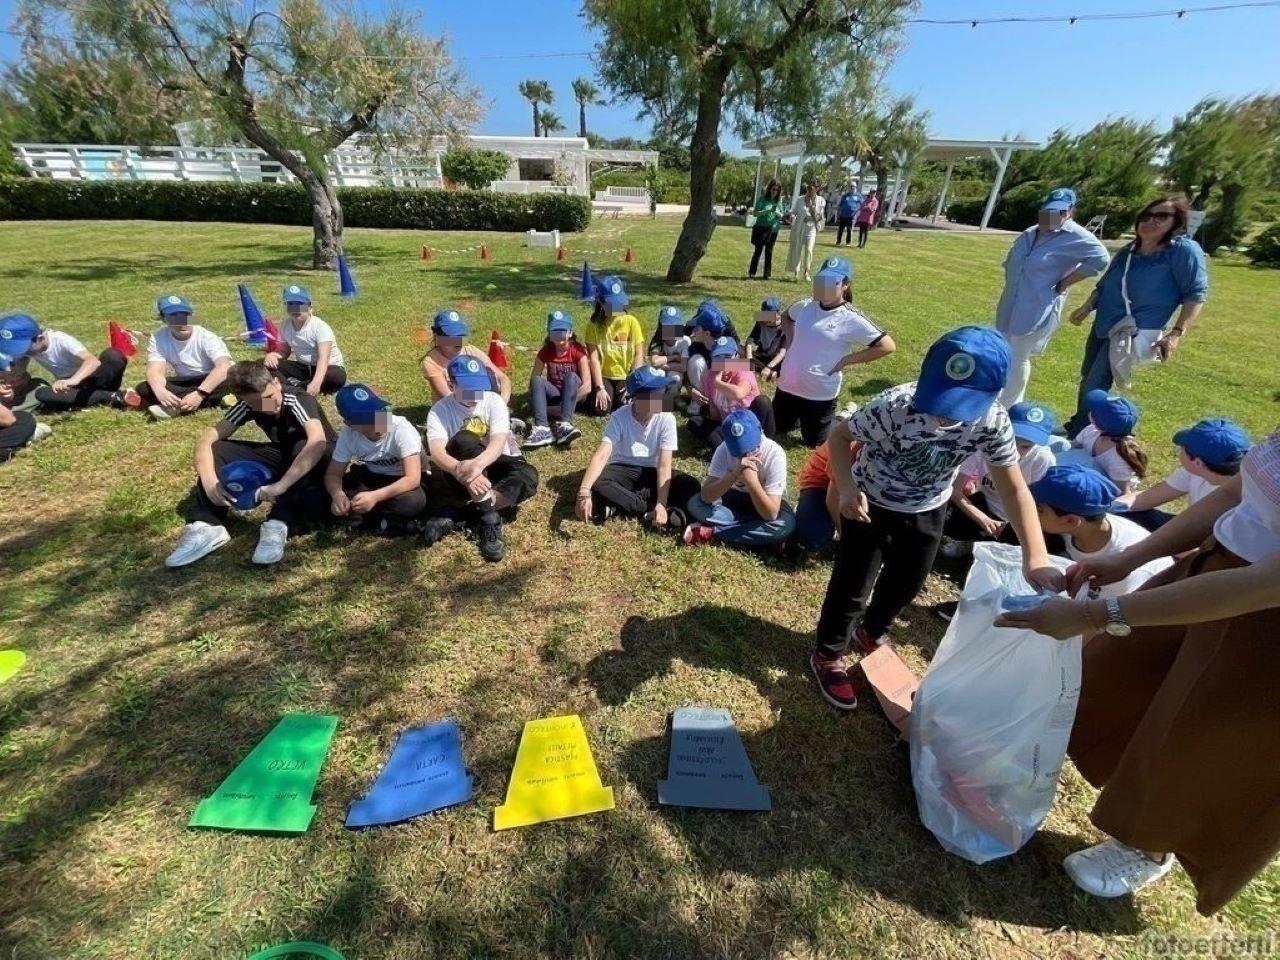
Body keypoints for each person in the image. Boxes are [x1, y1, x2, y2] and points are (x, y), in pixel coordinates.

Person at [994, 428, 1280, 915]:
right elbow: (1238, 491)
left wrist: (1092, 616)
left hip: (1262, 618)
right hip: (1216, 572)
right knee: (1116, 673)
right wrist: (1130, 556)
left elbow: (1263, 585)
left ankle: (1148, 845)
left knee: (1192, 734)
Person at [809, 327, 1065, 711]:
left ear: (993, 395)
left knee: (907, 583)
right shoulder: (895, 405)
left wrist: (1037, 557)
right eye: (939, 399)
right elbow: (840, 438)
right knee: (852, 584)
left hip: (929, 508)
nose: (943, 414)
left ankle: (871, 630)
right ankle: (828, 654)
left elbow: (1014, 490)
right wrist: (845, 488)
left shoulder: (993, 422)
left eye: (958, 405)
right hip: (869, 504)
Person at [164, 361, 334, 568]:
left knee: (307, 445)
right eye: (256, 404)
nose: (266, 407)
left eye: (268, 398)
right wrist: (210, 483)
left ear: (276, 383)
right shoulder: (252, 405)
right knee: (218, 448)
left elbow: (317, 441)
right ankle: (208, 524)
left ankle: (278, 522)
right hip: (284, 456)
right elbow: (206, 440)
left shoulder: (296, 398)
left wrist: (281, 486)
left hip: (321, 462)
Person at [1064, 196, 1209, 436]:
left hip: (1132, 329)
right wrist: (1087, 306)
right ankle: (1081, 424)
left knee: (1095, 382)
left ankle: (1081, 433)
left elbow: (1196, 294)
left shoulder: (1183, 251)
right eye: (1146, 215)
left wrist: (1176, 334)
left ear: (1177, 222)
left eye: (1161, 216)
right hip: (1104, 323)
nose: (1150, 221)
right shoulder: (1129, 250)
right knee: (1087, 377)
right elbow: (1107, 283)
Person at [994, 188, 1110, 406]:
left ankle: (1008, 406)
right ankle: (997, 398)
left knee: (1019, 355)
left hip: (1036, 306)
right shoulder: (1030, 233)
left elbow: (1101, 259)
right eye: (1047, 212)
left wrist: (1065, 282)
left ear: (1070, 212)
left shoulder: (1077, 237)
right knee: (1003, 352)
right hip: (1010, 303)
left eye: (1060, 213)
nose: (1052, 217)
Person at [424, 355, 539, 562]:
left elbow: (497, 443)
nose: (475, 393)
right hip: (460, 471)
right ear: (451, 383)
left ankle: (460, 514)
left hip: (493, 461)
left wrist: (477, 466)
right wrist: (462, 470)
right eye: (468, 387)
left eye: (479, 386)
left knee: (528, 475)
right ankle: (488, 519)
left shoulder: (493, 401)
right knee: (464, 439)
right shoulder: (439, 411)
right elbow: (437, 452)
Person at [774, 256, 895, 447]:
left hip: (819, 394)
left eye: (832, 282)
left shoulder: (851, 318)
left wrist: (846, 360)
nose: (824, 287)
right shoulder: (805, 306)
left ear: (845, 285)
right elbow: (786, 317)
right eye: (821, 280)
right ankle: (799, 417)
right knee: (777, 429)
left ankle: (844, 416)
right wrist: (790, 341)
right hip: (787, 387)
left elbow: (887, 346)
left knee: (814, 443)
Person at [576, 366, 700, 530]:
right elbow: (602, 455)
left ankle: (619, 505)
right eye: (658, 392)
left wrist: (661, 503)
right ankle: (649, 510)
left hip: (652, 472)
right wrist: (583, 492)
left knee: (690, 485)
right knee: (599, 482)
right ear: (640, 397)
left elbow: (664, 465)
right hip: (623, 469)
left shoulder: (666, 418)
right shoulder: (620, 417)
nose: (663, 396)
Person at [1029, 464, 1169, 596]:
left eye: (1039, 510)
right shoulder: (1084, 525)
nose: (1031, 512)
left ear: (1071, 520)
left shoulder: (1121, 568)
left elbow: (1113, 614)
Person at [941, 401, 1058, 556]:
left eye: (1025, 446)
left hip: (1019, 516)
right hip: (985, 505)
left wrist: (1012, 525)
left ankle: (983, 543)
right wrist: (983, 519)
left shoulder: (1043, 459)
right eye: (1012, 441)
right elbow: (955, 490)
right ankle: (970, 539)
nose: (1015, 451)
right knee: (943, 510)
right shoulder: (985, 444)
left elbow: (1039, 506)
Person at [682, 408, 796, 550]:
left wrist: (752, 481)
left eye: (751, 446)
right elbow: (706, 496)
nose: (746, 454)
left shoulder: (775, 454)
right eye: (738, 450)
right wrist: (733, 475)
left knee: (783, 526)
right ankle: (757, 533)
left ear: (760, 430)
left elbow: (771, 514)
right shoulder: (724, 449)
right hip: (732, 501)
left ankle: (713, 532)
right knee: (695, 504)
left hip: (766, 500)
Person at [323, 383, 429, 535]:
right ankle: (383, 521)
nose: (376, 420)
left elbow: (412, 478)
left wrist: (375, 497)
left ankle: (363, 518)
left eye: (377, 411)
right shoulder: (349, 434)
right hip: (373, 476)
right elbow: (333, 474)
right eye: (366, 418)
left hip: (403, 480)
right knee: (322, 496)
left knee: (413, 502)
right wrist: (337, 495)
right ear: (350, 423)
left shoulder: (400, 428)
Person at [1115, 418, 1251, 531]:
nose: (1179, 453)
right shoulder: (1196, 470)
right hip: (1195, 529)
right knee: (1131, 515)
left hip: (1214, 548)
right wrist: (1106, 508)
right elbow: (1148, 498)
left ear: (1198, 463)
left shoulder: (1245, 500)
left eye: (1181, 449)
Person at [0, 312, 129, 411]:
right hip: (72, 388)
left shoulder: (60, 340)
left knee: (113, 356)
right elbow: (12, 368)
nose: (23, 352)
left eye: (24, 348)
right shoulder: (30, 350)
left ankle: (105, 396)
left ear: (39, 339)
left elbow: (92, 361)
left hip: (92, 378)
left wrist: (73, 380)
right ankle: (110, 397)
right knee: (42, 393)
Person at [135, 295, 233, 420]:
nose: (180, 321)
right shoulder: (158, 337)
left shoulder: (207, 336)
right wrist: (160, 391)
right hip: (187, 381)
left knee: (236, 380)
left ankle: (178, 406)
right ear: (163, 319)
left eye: (185, 315)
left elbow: (223, 367)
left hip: (214, 378)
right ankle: (218, 400)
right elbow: (155, 370)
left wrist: (200, 394)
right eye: (173, 316)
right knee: (144, 388)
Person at [687, 336, 776, 447]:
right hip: (729, 423)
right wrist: (692, 391)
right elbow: (713, 410)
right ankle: (728, 448)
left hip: (750, 422)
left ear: (736, 356)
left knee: (763, 402)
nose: (723, 361)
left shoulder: (744, 370)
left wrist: (718, 383)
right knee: (695, 422)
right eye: (718, 357)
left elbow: (739, 394)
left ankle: (765, 445)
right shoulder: (710, 375)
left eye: (727, 357)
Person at [265, 285, 347, 395]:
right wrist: (273, 355)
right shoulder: (285, 325)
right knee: (264, 365)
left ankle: (291, 389)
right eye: (290, 304)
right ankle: (295, 388)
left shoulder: (320, 327)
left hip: (328, 367)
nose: (295, 309)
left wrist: (316, 382)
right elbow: (284, 351)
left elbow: (324, 358)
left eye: (300, 304)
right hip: (303, 367)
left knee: (336, 377)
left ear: (310, 308)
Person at [525, 309, 588, 449]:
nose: (559, 336)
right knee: (536, 379)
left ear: (570, 333)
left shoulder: (578, 351)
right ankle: (542, 428)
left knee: (571, 377)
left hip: (575, 396)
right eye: (555, 332)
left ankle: (565, 425)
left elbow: (587, 386)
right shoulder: (545, 351)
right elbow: (533, 381)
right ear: (549, 333)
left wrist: (566, 406)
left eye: (562, 332)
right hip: (556, 395)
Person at [421, 309, 513, 405]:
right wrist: (486, 401)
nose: (458, 341)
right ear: (437, 336)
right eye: (452, 336)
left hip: (479, 404)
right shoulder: (431, 362)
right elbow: (448, 396)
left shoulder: (471, 350)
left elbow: (502, 378)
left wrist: (502, 402)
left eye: (461, 335)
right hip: (451, 410)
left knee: (491, 376)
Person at [584, 275, 645, 414]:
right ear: (600, 303)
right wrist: (600, 388)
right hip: (604, 375)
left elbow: (639, 354)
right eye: (611, 304)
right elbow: (593, 359)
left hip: (626, 375)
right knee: (600, 409)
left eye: (619, 303)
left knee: (629, 406)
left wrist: (633, 382)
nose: (617, 308)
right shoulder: (593, 326)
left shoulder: (631, 322)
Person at [1071, 390, 1147, 494]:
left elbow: (1122, 493)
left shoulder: (1120, 457)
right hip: (1089, 478)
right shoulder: (1090, 430)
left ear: (1093, 419)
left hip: (1107, 492)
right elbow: (1072, 448)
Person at [793, 436, 860, 554]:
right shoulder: (854, 449)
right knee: (813, 540)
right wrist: (845, 536)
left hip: (858, 490)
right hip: (821, 485)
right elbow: (832, 499)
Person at [683, 300, 741, 417]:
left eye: (697, 328)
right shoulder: (696, 344)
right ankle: (700, 402)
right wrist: (690, 389)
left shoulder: (727, 345)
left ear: (707, 333)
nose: (693, 332)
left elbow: (744, 366)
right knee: (695, 361)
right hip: (707, 384)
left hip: (726, 391)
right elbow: (684, 366)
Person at [646, 304, 690, 407]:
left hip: (675, 373)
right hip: (663, 371)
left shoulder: (684, 341)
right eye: (667, 326)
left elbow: (683, 367)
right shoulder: (657, 341)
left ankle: (672, 398)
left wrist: (662, 364)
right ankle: (659, 399)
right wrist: (673, 357)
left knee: (674, 376)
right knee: (658, 373)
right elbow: (654, 362)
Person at [786, 181, 826, 282]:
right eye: (808, 188)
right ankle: (796, 272)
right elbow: (793, 211)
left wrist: (813, 209)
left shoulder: (821, 201)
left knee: (809, 249)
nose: (809, 191)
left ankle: (806, 272)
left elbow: (820, 217)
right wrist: (791, 215)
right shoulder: (800, 199)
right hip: (800, 226)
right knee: (797, 249)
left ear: (816, 189)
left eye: (811, 189)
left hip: (812, 227)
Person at [748, 179, 787, 280]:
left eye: (777, 190)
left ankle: (767, 274)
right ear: (769, 189)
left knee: (769, 251)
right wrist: (767, 211)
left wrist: (776, 212)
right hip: (761, 228)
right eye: (773, 189)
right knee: (758, 250)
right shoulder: (762, 199)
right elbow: (755, 213)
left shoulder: (778, 201)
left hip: (773, 229)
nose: (775, 192)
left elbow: (782, 215)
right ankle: (752, 272)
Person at [747, 297, 787, 382]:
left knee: (787, 366)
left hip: (776, 360)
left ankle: (761, 371)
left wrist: (769, 366)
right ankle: (768, 373)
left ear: (778, 313)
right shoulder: (761, 320)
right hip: (761, 355)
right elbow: (750, 340)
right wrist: (749, 358)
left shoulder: (786, 326)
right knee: (738, 351)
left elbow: (782, 353)